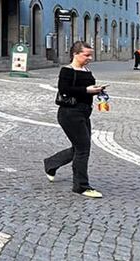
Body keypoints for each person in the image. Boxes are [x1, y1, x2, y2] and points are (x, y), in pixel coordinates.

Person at [44, 41, 106, 199]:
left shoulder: (86, 70)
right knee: (83, 148)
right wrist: (86, 90)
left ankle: (51, 163)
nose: (90, 58)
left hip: (84, 112)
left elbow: (85, 90)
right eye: (86, 55)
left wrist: (97, 90)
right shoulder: (67, 71)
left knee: (80, 147)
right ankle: (81, 186)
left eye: (91, 55)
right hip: (69, 113)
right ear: (75, 54)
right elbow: (64, 90)